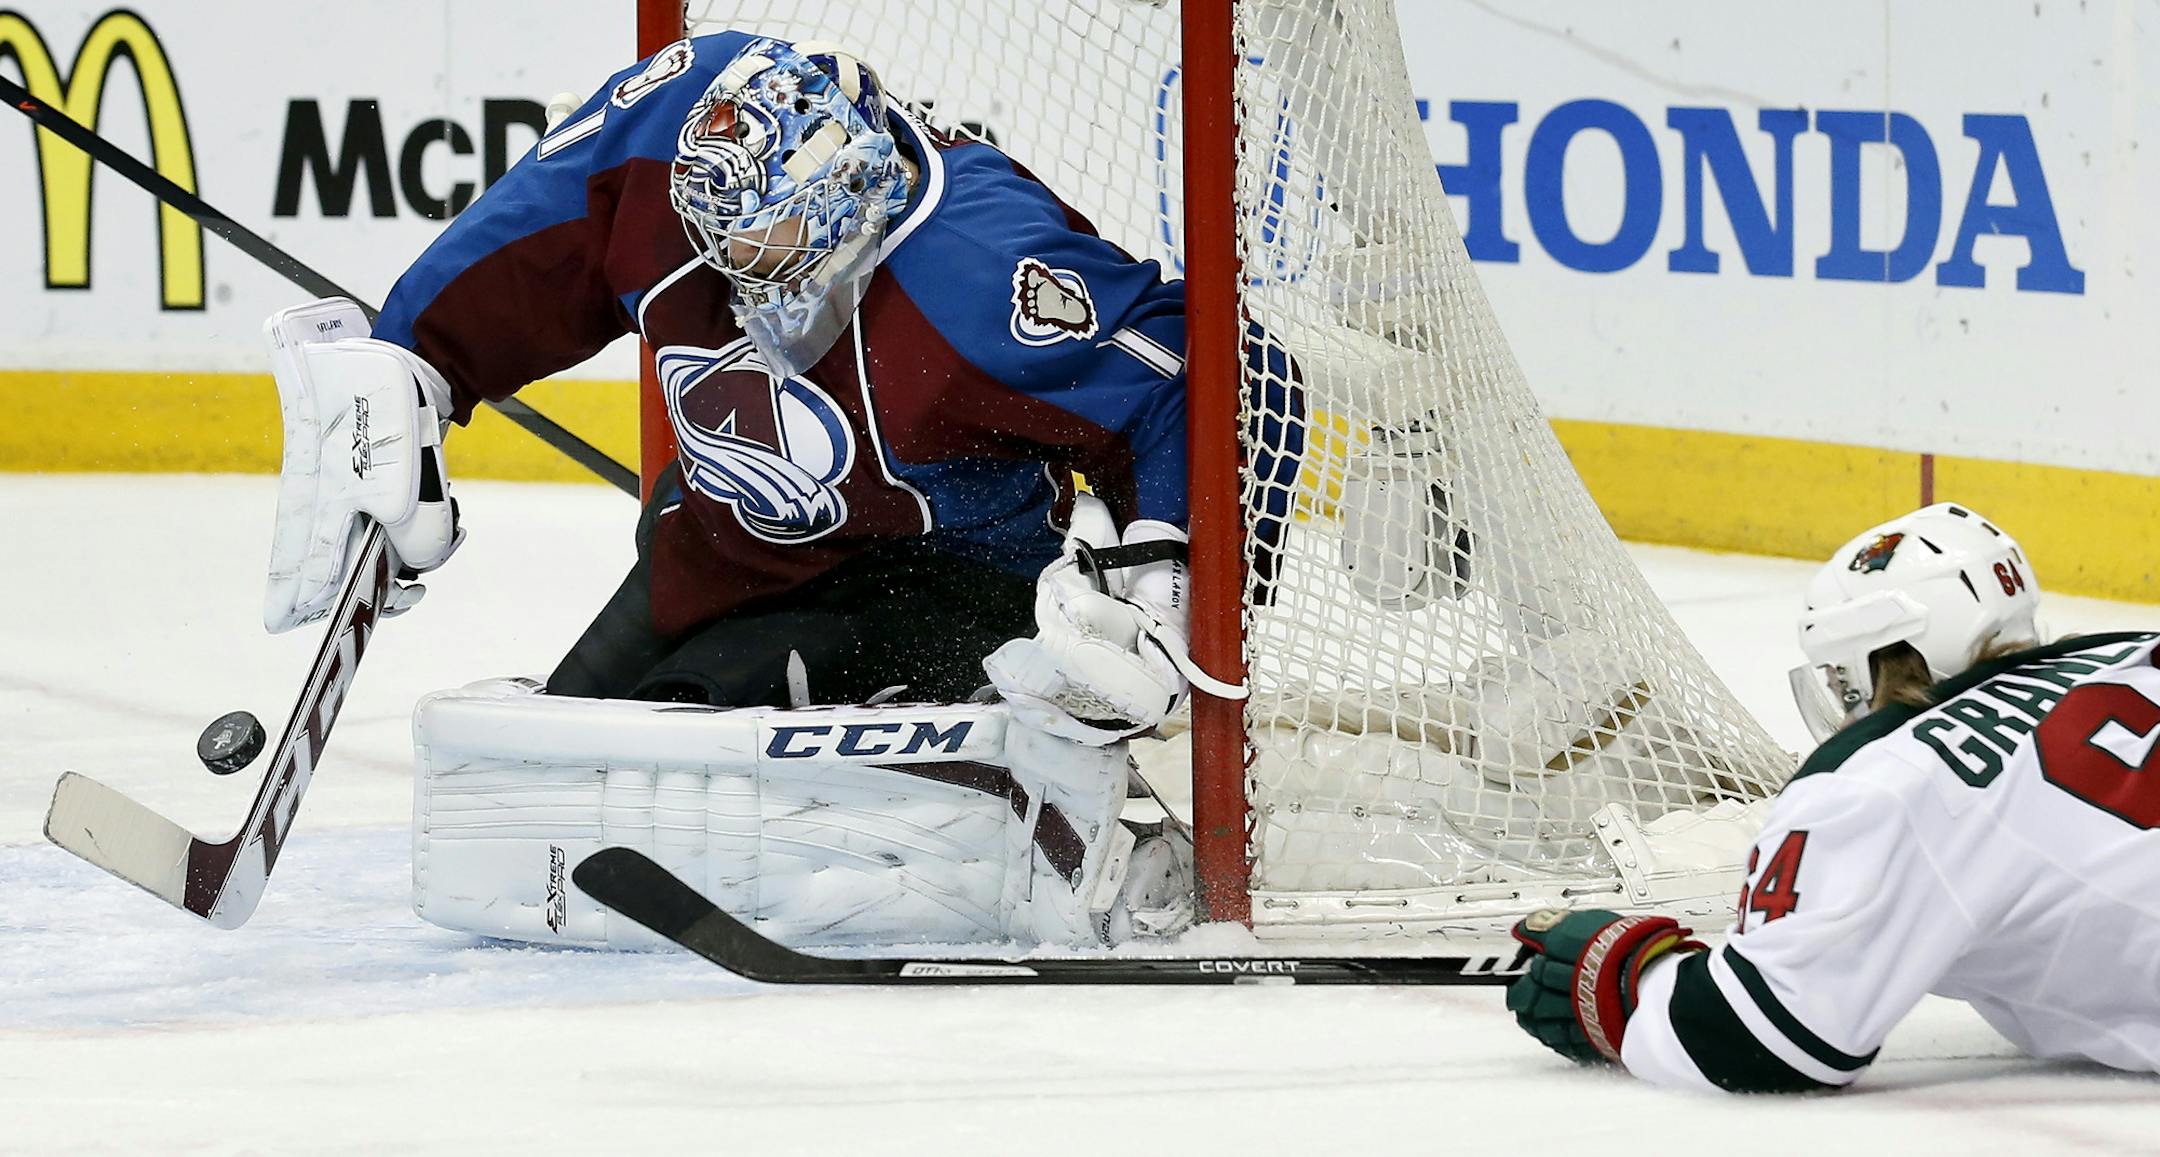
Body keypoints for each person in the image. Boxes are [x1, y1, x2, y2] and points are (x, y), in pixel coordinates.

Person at [254, 32, 1300, 950]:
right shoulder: (678, 136)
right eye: (725, 248)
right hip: (724, 539)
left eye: (768, 246)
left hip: (950, 570)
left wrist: (1171, 581)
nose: (744, 277)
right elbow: (539, 224)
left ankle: (1083, 826)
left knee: (816, 788)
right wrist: (411, 357)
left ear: (848, 193)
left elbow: (1225, 383)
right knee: (563, 775)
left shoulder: (986, 270)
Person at [1503, 502, 2160, 1091]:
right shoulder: (2132, 648)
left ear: (1883, 656)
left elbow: (1762, 1036)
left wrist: (1621, 978)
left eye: (1845, 680)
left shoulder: (1891, 773)